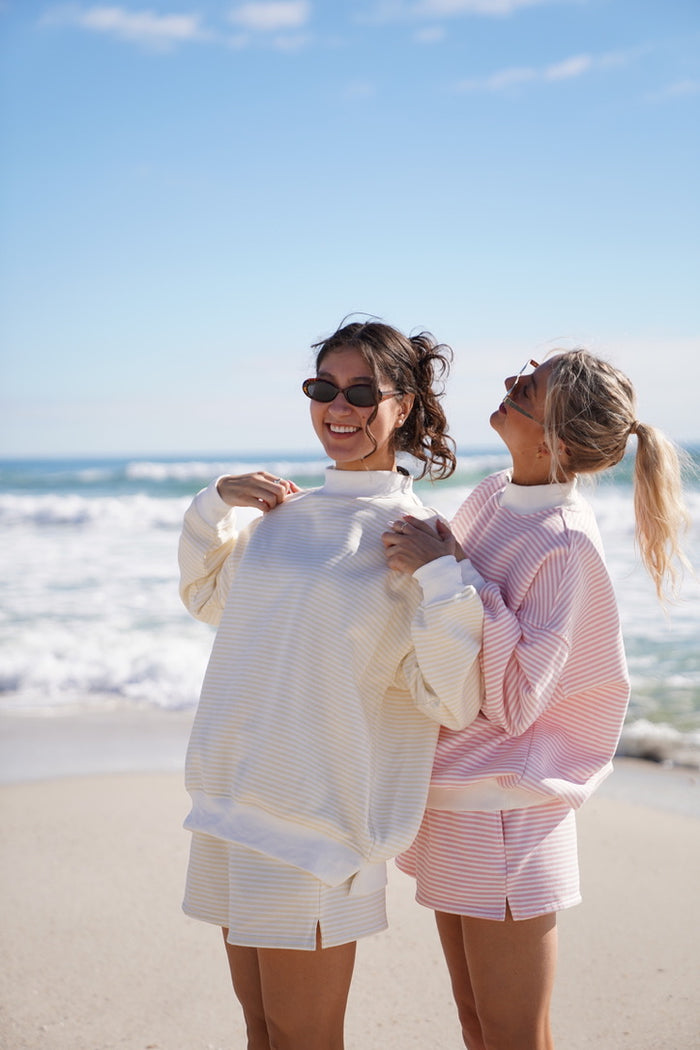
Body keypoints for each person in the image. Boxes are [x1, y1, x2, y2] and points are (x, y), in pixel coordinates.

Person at [178, 319, 485, 1050]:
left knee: (302, 1039)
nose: (337, 408)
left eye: (358, 391)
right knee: (261, 1032)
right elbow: (209, 599)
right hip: (229, 807)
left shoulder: (414, 534)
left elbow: (452, 696)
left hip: (318, 829)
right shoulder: (283, 518)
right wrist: (216, 500)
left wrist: (443, 576)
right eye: (323, 388)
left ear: (403, 404)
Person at [382, 350, 690, 1050]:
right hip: (453, 798)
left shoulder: (565, 543)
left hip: (508, 813)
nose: (508, 384)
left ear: (554, 441)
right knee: (474, 1024)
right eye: (522, 370)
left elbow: (519, 700)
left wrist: (451, 571)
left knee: (516, 1035)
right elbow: (447, 604)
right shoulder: (493, 493)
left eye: (529, 386)